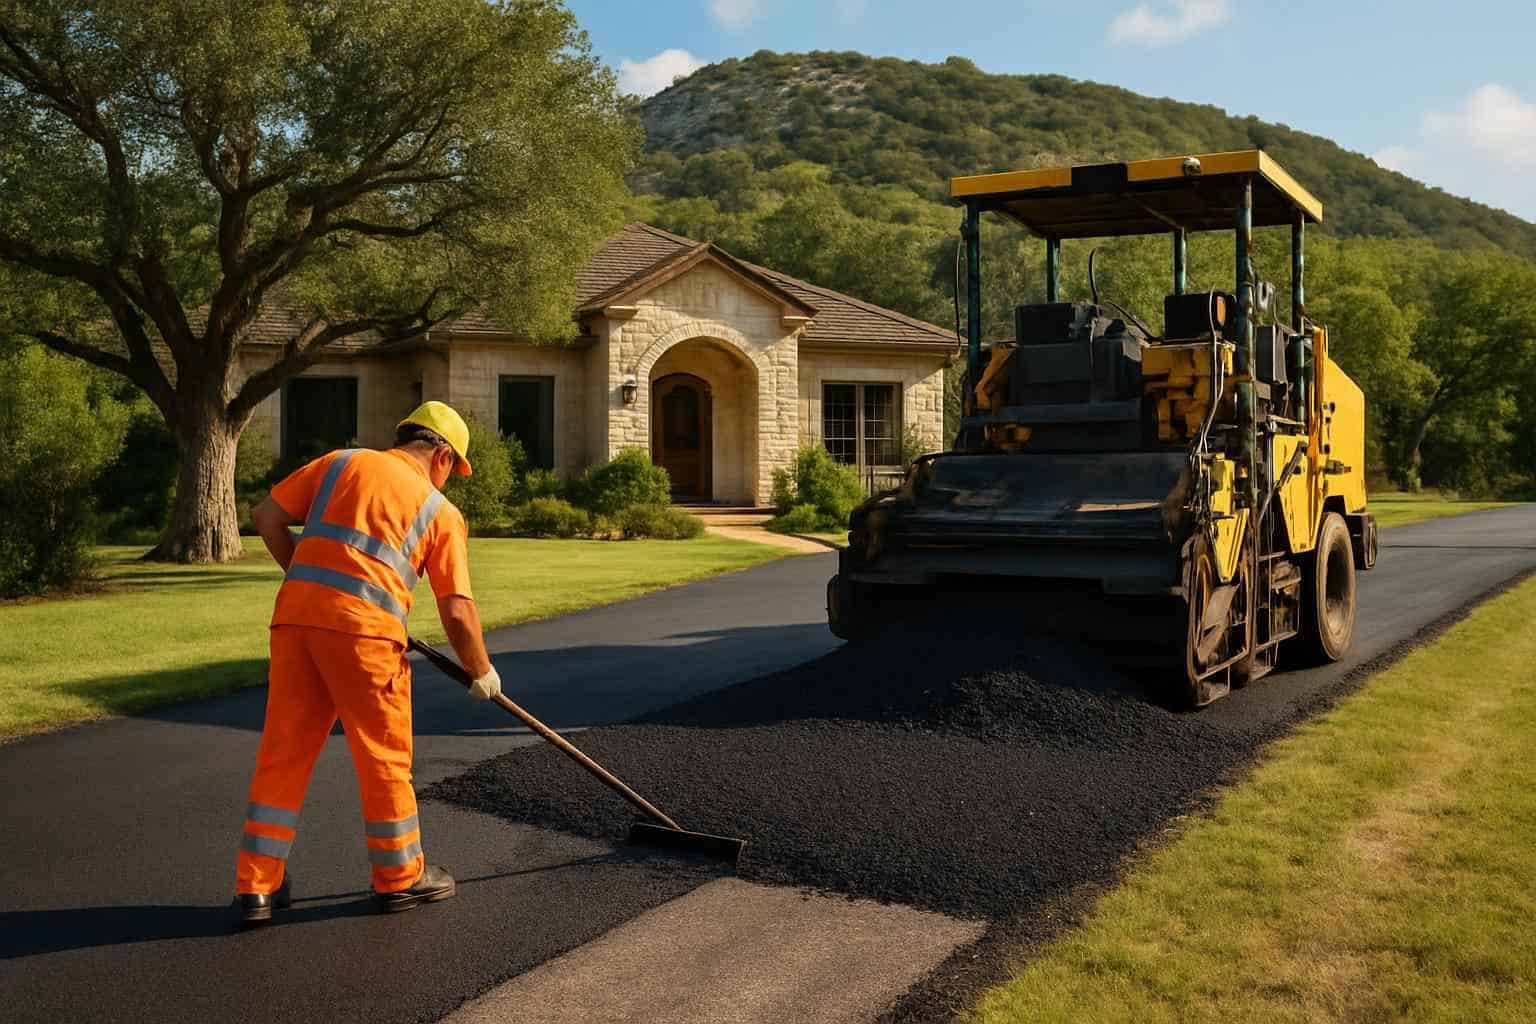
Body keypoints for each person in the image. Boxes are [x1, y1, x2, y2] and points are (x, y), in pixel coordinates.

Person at [232, 401, 502, 926]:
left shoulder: (340, 463)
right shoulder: (438, 510)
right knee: (383, 757)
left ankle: (255, 889)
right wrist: (481, 670)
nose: (452, 482)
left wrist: (312, 580)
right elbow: (458, 608)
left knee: (283, 754)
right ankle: (399, 879)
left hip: (295, 623)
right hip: (365, 638)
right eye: (455, 470)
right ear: (442, 455)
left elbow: (266, 515)